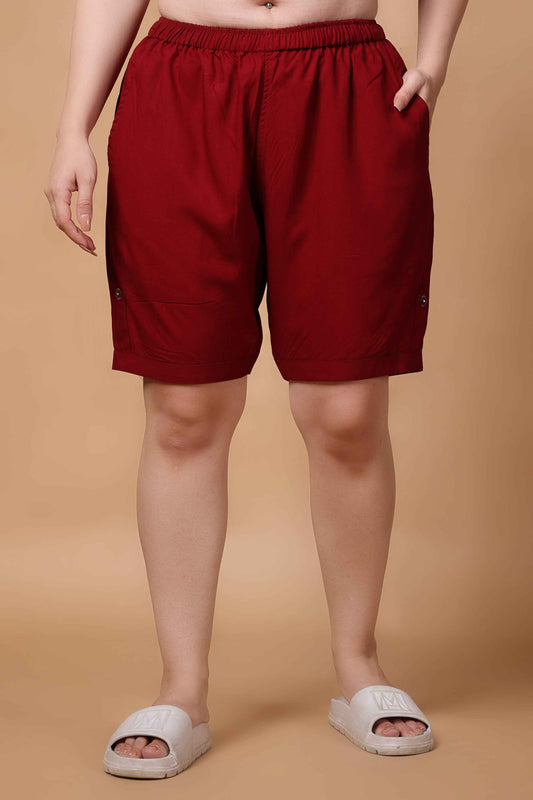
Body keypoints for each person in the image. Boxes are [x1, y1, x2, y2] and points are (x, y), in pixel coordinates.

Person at [44, 0, 469, 779]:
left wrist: (434, 59)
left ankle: (359, 666)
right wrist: (76, 124)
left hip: (344, 80)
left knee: (345, 411)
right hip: (184, 83)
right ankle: (182, 689)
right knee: (183, 408)